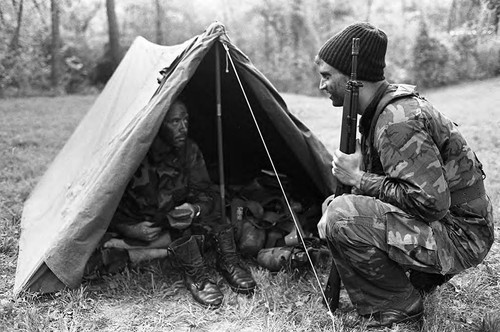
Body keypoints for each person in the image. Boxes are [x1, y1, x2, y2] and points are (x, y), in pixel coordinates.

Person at [315, 22, 494, 327]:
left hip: (462, 237)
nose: (322, 85)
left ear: (351, 79)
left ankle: (397, 305)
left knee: (342, 216)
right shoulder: (383, 110)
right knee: (336, 206)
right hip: (452, 226)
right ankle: (418, 277)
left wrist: (358, 179)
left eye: (327, 76)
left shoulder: (397, 120)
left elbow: (430, 203)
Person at [91, 99, 256, 308]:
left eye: (186, 120)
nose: (183, 128)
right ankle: (192, 272)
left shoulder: (189, 150)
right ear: (159, 124)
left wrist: (193, 209)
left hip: (175, 222)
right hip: (143, 224)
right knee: (193, 238)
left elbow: (206, 193)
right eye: (174, 122)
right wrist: (130, 229)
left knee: (217, 222)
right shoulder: (134, 154)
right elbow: (104, 205)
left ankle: (224, 263)